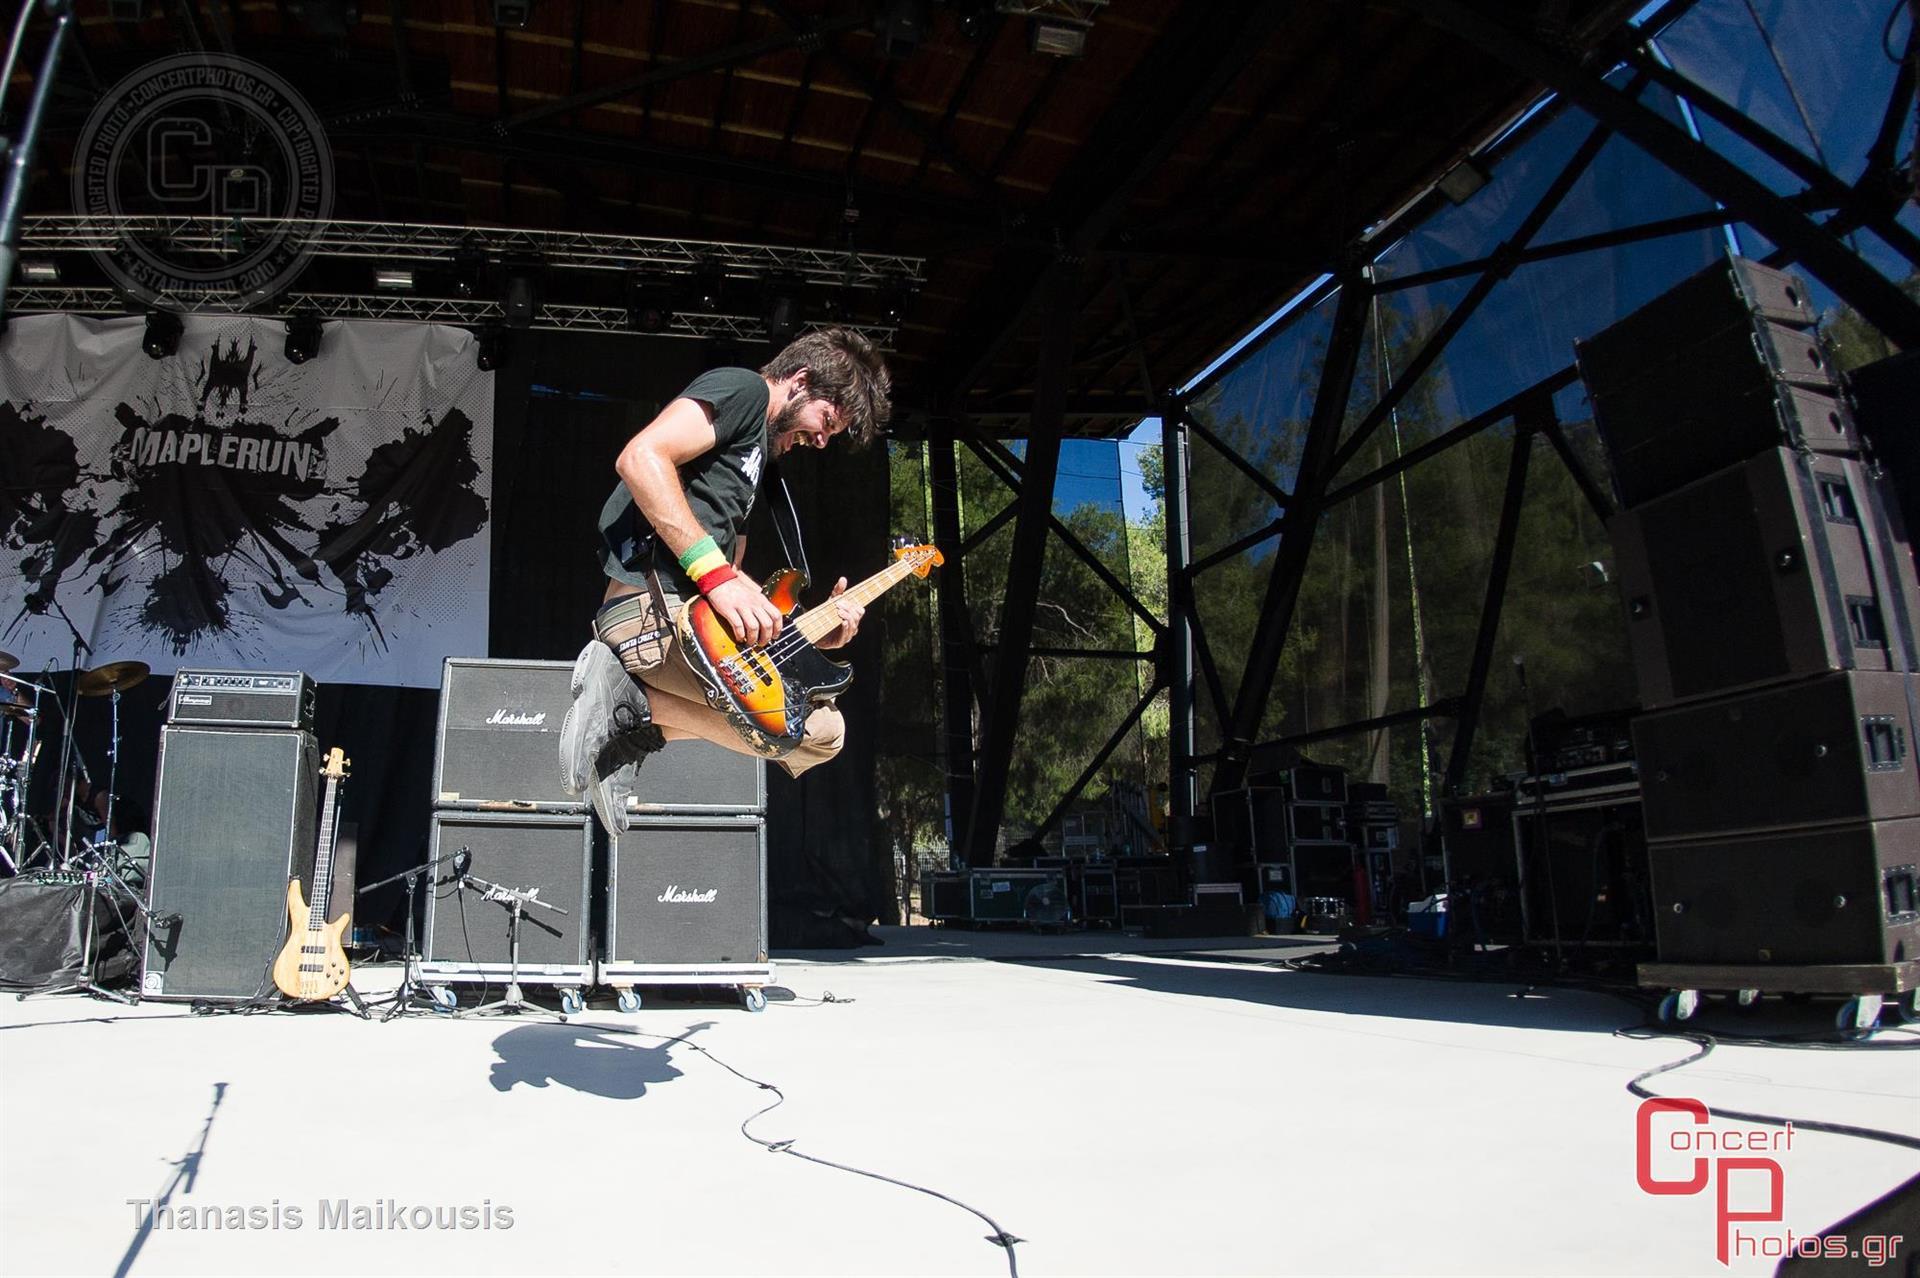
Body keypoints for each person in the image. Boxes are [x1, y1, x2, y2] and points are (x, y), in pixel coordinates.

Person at [559, 328, 892, 832]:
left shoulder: (754, 462)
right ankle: (631, 705)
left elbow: (734, 589)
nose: (822, 441)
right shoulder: (744, 390)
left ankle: (633, 720)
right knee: (797, 727)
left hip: (691, 621)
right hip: (650, 613)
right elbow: (641, 457)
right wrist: (717, 577)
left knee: (825, 732)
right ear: (800, 381)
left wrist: (811, 633)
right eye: (826, 421)